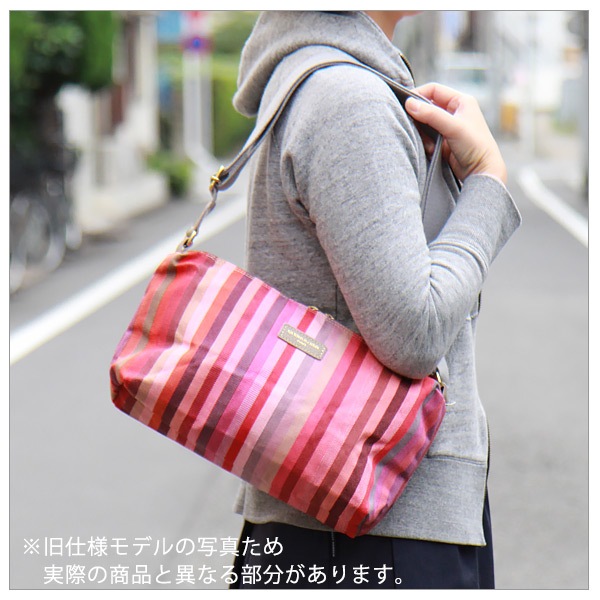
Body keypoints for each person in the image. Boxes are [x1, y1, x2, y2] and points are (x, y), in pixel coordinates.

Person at [228, 10, 521, 589]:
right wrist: (487, 181)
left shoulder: (327, 83)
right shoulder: (348, 101)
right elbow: (414, 332)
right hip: (377, 524)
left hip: (343, 520)